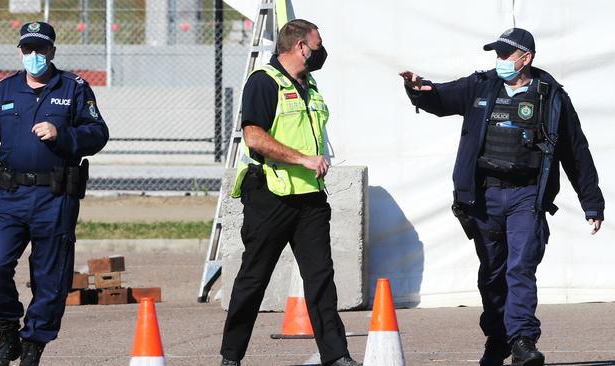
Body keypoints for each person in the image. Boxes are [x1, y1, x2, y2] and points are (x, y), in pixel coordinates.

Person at [400, 28, 604, 366]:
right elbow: (440, 97)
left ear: (527, 58)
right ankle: (497, 339)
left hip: (527, 196)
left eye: (506, 55)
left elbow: (575, 151)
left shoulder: (551, 96)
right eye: (497, 54)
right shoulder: (480, 85)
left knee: (520, 267)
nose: (499, 61)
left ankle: (523, 340)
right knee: (492, 274)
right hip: (484, 197)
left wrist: (591, 202)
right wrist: (417, 89)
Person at [0, 22, 109, 366]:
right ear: (20, 52)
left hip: (55, 198)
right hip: (10, 197)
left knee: (50, 277)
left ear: (53, 52)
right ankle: (7, 332)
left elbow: (97, 132)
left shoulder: (74, 88)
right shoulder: (5, 90)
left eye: (40, 50)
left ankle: (33, 345)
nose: (34, 56)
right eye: (28, 50)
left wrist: (63, 134)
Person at [219, 19, 360, 366]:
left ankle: (336, 355)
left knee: (321, 278)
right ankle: (231, 356)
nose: (320, 52)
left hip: (310, 197)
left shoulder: (309, 85)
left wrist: (313, 164)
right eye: (317, 45)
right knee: (254, 278)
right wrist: (302, 160)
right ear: (300, 47)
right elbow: (254, 137)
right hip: (271, 193)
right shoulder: (264, 82)